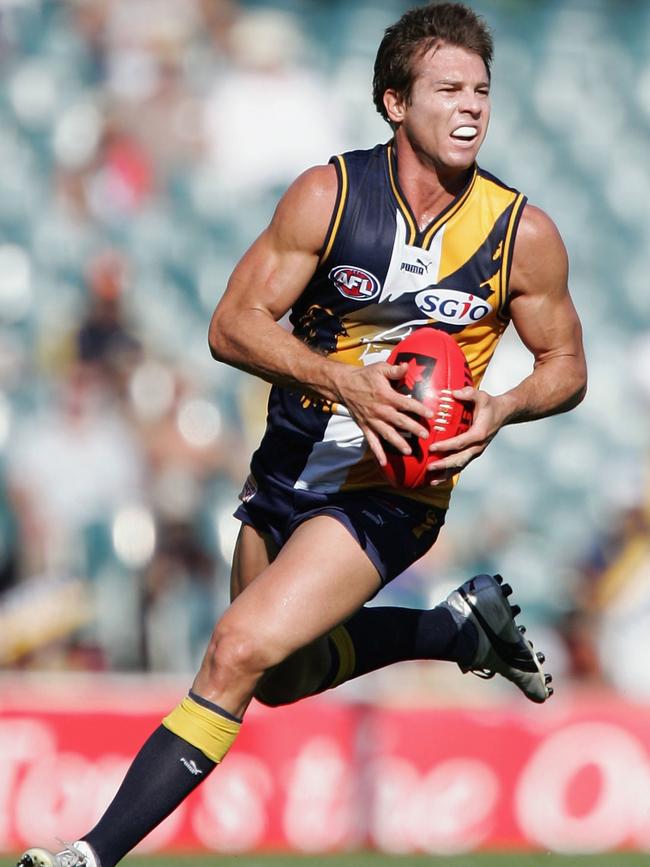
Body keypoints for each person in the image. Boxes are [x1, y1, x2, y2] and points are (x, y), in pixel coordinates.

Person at [18, 3, 587, 866]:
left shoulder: (520, 234)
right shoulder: (330, 196)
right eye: (446, 89)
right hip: (287, 470)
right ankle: (454, 630)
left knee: (236, 648)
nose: (470, 106)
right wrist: (343, 381)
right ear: (394, 103)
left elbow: (567, 366)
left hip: (392, 493)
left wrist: (502, 406)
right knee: (279, 677)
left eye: (480, 90)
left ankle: (87, 854)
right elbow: (231, 325)